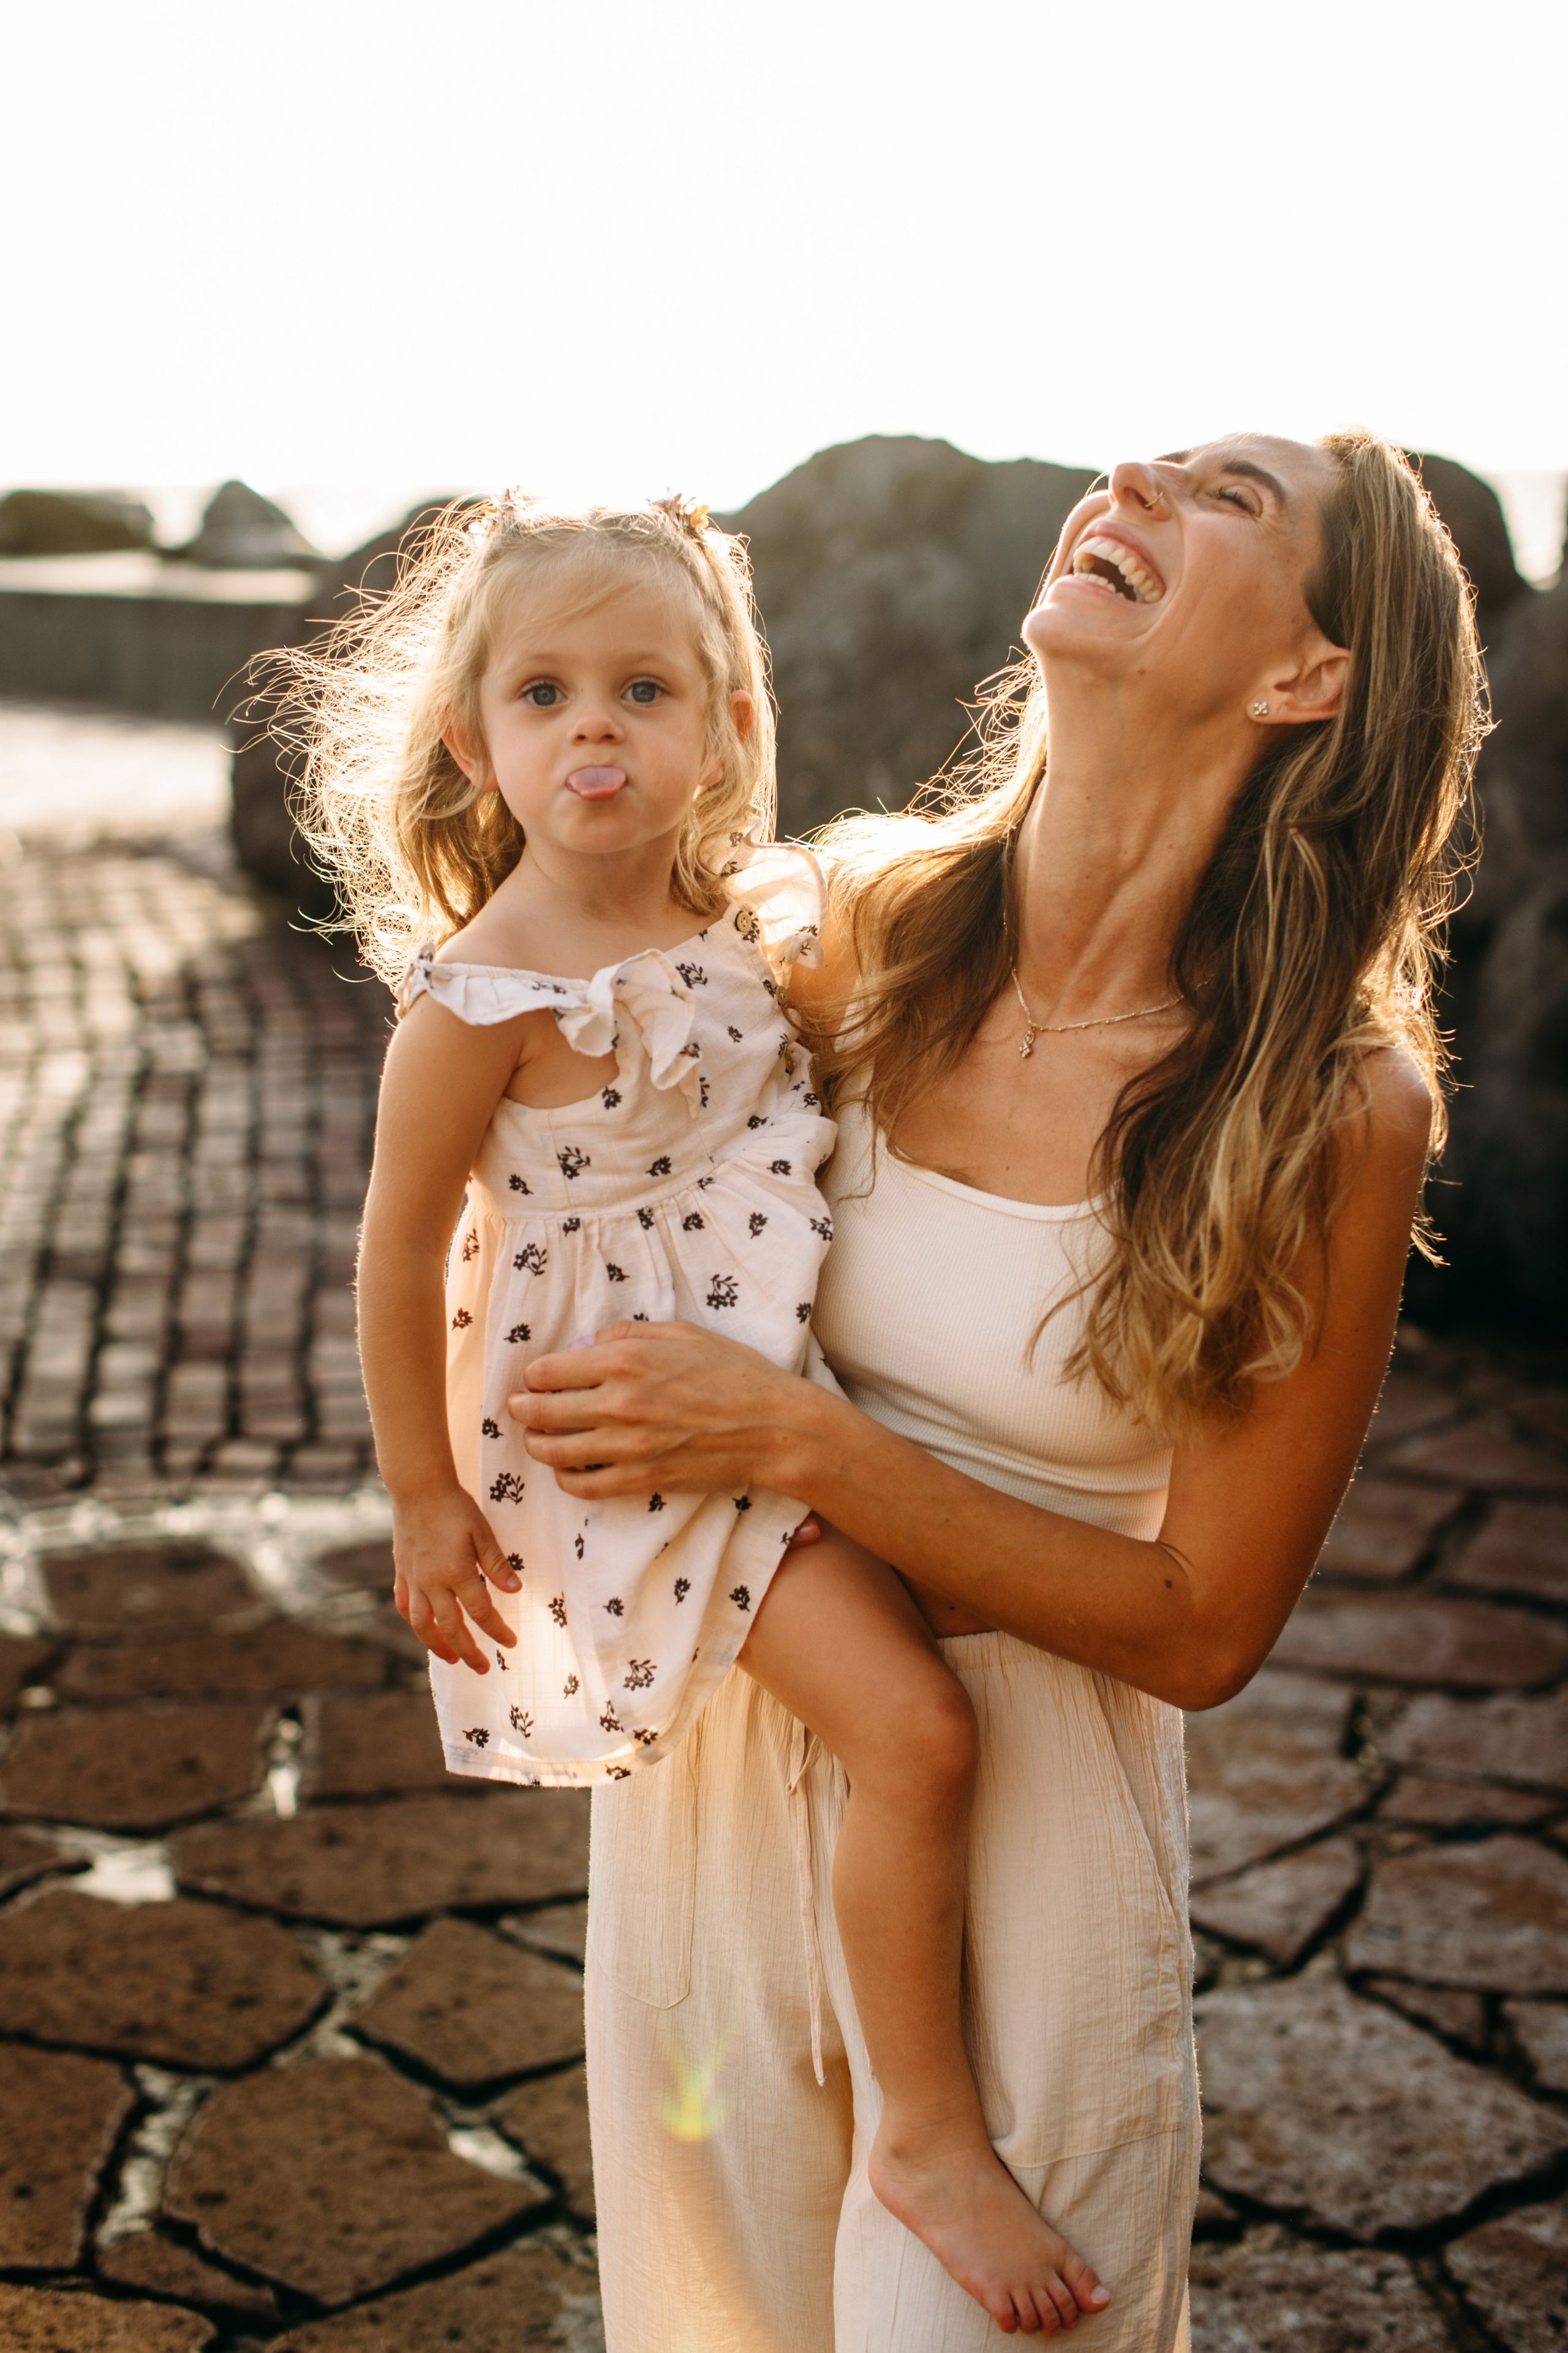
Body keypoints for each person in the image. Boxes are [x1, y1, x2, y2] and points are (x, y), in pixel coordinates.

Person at [507, 432, 1483, 2351]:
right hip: (716, 1793)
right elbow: (553, 1205)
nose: (1138, 471)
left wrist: (793, 1445)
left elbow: (1203, 1628)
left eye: (1231, 498)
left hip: (1030, 1845)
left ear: (1310, 676)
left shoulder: (1331, 1109)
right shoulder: (840, 938)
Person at [304, 492, 1111, 2334]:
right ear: (475, 739)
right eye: (548, 692)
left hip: (763, 1400)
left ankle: (886, 2086)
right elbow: (398, 1247)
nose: (597, 727)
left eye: (646, 686)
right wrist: (425, 1499)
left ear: (730, 724)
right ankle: (924, 2125)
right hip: (634, 1448)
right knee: (915, 1724)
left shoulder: (746, 927)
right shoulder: (479, 1001)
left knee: (924, 1697)